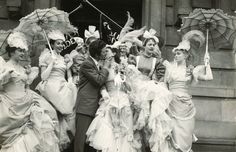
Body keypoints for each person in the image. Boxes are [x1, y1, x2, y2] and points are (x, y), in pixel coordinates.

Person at [0, 32, 59, 152]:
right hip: (12, 105)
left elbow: (26, 86)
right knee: (19, 140)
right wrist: (5, 74)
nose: (23, 53)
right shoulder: (4, 67)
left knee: (43, 124)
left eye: (23, 50)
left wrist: (27, 75)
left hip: (28, 102)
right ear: (11, 52)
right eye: (20, 51)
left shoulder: (23, 68)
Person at [161, 40, 213, 152]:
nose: (176, 56)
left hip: (186, 105)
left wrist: (207, 63)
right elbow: (165, 83)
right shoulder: (170, 68)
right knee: (173, 133)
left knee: (186, 133)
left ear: (186, 55)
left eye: (178, 53)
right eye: (175, 54)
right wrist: (167, 97)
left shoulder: (191, 70)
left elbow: (209, 77)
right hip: (172, 103)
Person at [86, 46, 139, 152]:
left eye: (107, 51)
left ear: (114, 53)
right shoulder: (102, 67)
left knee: (124, 128)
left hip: (123, 99)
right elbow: (100, 83)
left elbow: (129, 87)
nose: (105, 53)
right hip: (109, 100)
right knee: (108, 128)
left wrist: (123, 75)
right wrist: (104, 93)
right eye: (103, 52)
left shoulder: (122, 67)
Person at [36, 30, 77, 150]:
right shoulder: (46, 56)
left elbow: (67, 74)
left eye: (62, 43)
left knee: (67, 116)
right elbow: (43, 76)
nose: (60, 46)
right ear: (52, 44)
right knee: (53, 116)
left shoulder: (64, 58)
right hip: (51, 87)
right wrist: (51, 64)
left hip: (62, 86)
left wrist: (70, 83)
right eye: (58, 43)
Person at [74, 39, 110, 152]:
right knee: (80, 141)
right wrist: (105, 68)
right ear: (97, 53)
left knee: (90, 143)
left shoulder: (96, 63)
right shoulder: (87, 64)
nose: (106, 53)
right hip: (85, 106)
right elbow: (99, 80)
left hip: (95, 106)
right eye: (104, 51)